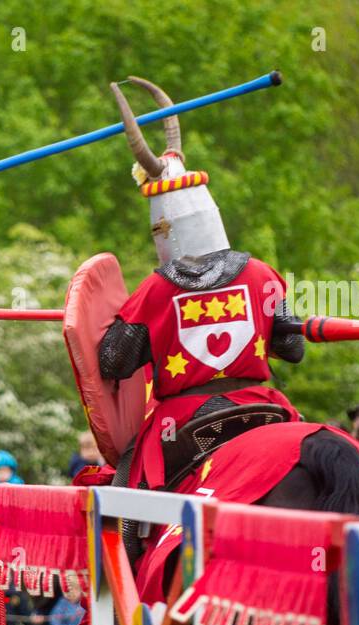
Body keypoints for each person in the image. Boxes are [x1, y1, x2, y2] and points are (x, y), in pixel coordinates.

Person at [98, 77, 306, 493]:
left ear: (164, 229)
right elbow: (293, 349)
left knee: (124, 492)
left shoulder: (157, 291)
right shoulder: (262, 274)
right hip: (260, 408)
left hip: (185, 421)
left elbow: (112, 362)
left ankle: (131, 550)